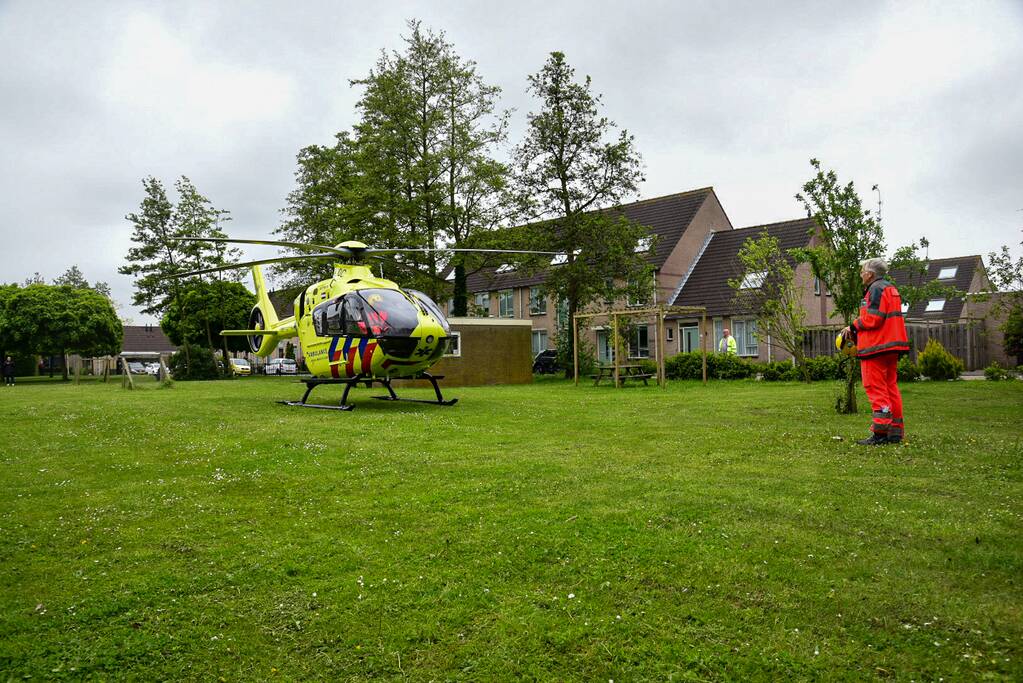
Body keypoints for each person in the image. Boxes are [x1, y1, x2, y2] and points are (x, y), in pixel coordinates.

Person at [841, 257, 910, 445]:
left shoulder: (875, 289)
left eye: (863, 271)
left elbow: (873, 319)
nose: (861, 274)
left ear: (870, 274)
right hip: (891, 346)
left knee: (876, 388)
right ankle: (895, 432)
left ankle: (880, 433)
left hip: (876, 347)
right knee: (890, 388)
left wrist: (852, 326)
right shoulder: (890, 288)